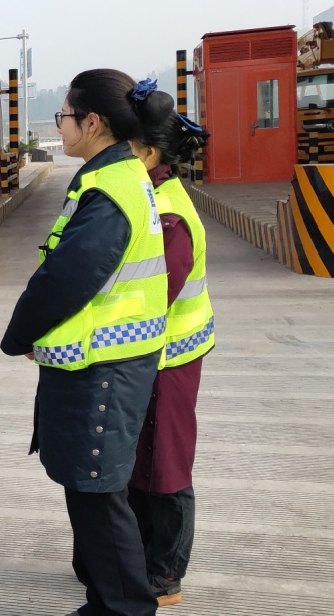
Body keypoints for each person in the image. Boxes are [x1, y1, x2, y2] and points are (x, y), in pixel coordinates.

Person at [1, 70, 170, 616]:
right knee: (93, 493)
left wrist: (20, 333)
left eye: (64, 117)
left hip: (104, 369)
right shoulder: (119, 174)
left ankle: (126, 608)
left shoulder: (110, 189)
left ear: (92, 122)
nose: (61, 127)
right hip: (107, 363)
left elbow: (68, 277)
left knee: (98, 497)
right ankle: (105, 601)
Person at [127, 98, 214, 608]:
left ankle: (166, 573)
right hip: (155, 355)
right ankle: (143, 559)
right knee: (146, 458)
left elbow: (157, 293)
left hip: (171, 356)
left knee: (168, 464)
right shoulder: (151, 195)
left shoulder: (168, 214)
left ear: (149, 152)